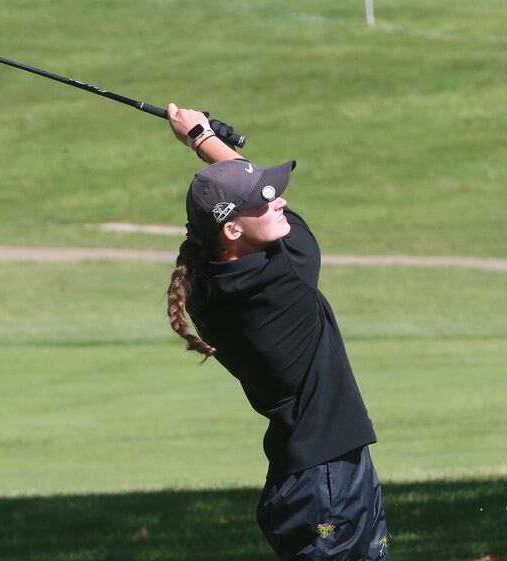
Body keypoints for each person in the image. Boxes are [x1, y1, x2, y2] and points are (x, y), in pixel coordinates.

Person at [164, 103, 390, 560]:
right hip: (327, 482)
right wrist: (201, 139)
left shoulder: (206, 290)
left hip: (312, 475)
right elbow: (249, 205)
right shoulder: (286, 276)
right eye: (265, 201)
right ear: (232, 229)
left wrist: (212, 150)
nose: (280, 201)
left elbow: (217, 219)